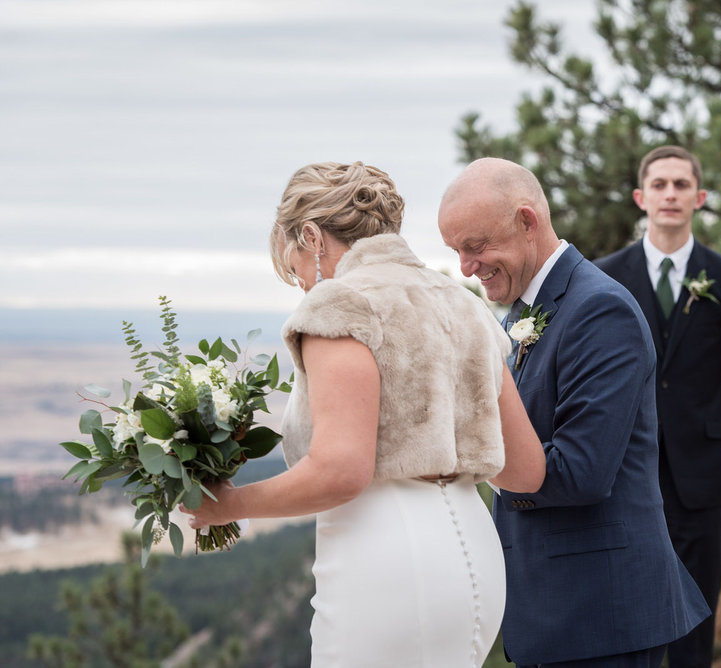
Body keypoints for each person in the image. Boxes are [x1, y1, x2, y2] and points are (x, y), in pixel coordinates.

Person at [182, 161, 546, 667]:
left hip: (384, 559)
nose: (304, 287)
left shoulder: (341, 304)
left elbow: (340, 470)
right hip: (477, 562)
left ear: (311, 236)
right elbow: (526, 470)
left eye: (296, 271)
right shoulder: (465, 306)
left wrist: (228, 506)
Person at [437, 157, 709, 668]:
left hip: (603, 615)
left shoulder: (600, 309)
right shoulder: (524, 310)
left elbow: (580, 473)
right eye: (457, 252)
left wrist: (469, 450)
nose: (466, 268)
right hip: (555, 611)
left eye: (475, 247)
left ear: (527, 221)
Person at [595, 145, 721, 667]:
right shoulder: (606, 277)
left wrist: (708, 420)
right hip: (624, 473)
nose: (669, 194)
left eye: (680, 185)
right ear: (640, 197)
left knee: (695, 618)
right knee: (627, 613)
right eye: (659, 184)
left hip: (701, 479)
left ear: (698, 197)